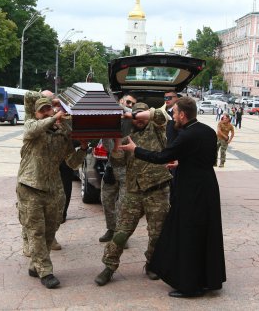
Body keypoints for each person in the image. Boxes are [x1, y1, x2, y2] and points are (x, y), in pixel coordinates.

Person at [118, 97, 226, 298]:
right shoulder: (207, 131)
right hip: (208, 187)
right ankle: (208, 280)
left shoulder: (186, 136)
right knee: (206, 233)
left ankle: (190, 286)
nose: (173, 116)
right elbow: (206, 159)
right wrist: (182, 163)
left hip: (191, 191)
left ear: (183, 115)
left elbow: (160, 157)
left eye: (175, 112)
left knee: (188, 235)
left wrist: (135, 150)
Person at [94, 102, 172, 287]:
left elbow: (161, 114)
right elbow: (119, 162)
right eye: (135, 117)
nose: (138, 120)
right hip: (134, 192)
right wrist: (117, 141)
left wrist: (132, 114)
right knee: (121, 233)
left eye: (140, 116)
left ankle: (152, 264)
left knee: (157, 234)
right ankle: (109, 266)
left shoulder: (157, 128)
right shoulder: (127, 136)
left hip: (157, 189)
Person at [17, 97, 87, 289]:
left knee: (50, 229)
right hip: (30, 187)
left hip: (53, 188)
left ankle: (35, 265)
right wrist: (55, 109)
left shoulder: (63, 132)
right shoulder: (31, 125)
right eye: (44, 109)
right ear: (36, 113)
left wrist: (82, 147)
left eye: (51, 108)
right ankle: (45, 270)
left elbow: (72, 162)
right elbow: (34, 128)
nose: (48, 112)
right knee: (36, 231)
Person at [99, 93, 137, 243]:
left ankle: (121, 235)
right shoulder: (109, 115)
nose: (130, 105)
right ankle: (111, 229)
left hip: (127, 168)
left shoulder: (133, 118)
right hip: (111, 166)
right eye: (128, 102)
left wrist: (127, 112)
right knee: (106, 200)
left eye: (133, 104)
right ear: (121, 101)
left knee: (123, 204)